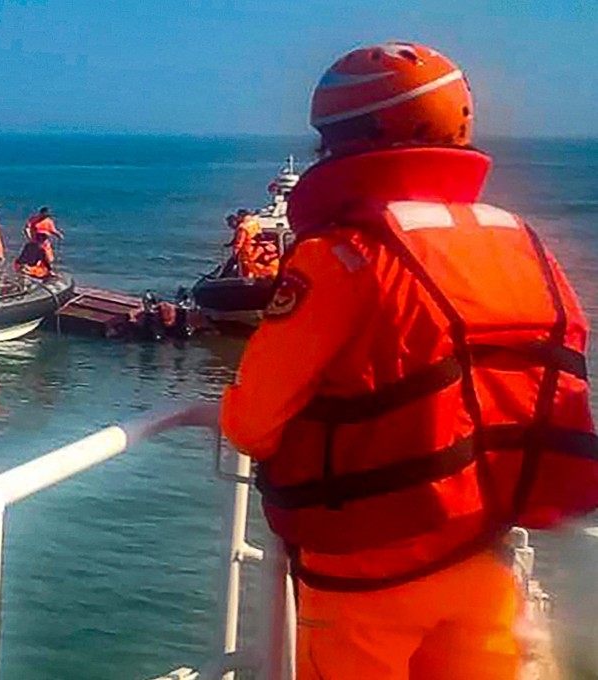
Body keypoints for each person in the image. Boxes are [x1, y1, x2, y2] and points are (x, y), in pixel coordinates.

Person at [221, 42, 598, 680]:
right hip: (484, 553)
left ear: (347, 139)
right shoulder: (520, 240)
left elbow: (250, 424)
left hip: (366, 576)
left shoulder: (338, 257)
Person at [230, 209, 260, 278]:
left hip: (246, 250)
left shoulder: (243, 227)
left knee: (245, 268)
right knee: (252, 266)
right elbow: (259, 235)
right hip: (255, 249)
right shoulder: (255, 224)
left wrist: (235, 253)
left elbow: (239, 242)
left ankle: (245, 278)